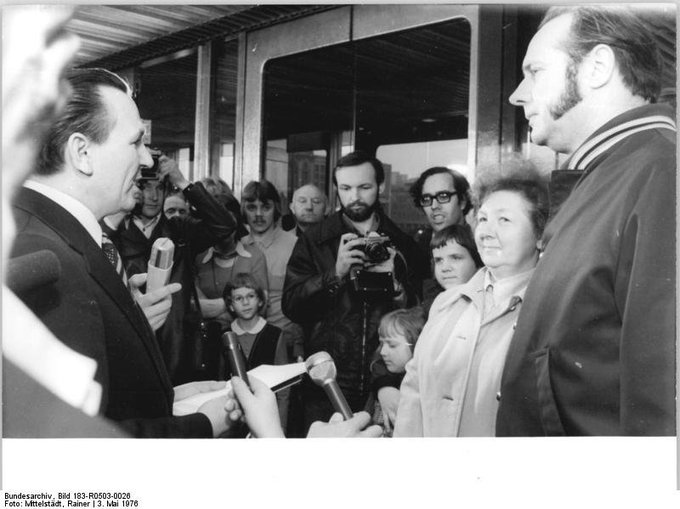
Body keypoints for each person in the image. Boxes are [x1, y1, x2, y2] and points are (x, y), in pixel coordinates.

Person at [10, 67, 239, 438]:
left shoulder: (50, 233)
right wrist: (204, 423)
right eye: (135, 143)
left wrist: (169, 399)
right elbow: (70, 452)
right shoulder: (43, 258)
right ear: (82, 153)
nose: (147, 160)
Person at [497, 6, 675, 436]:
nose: (517, 95)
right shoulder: (616, 174)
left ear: (596, 67)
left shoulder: (662, 174)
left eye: (535, 71)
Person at [394, 171, 549, 437]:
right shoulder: (445, 303)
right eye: (484, 219)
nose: (487, 231)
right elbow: (413, 395)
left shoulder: (552, 312)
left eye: (504, 220)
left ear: (540, 234)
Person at [283, 150, 426, 429]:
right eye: (346, 188)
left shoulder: (402, 242)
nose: (354, 196)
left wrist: (396, 287)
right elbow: (292, 306)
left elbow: (418, 315)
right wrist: (334, 274)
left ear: (380, 187)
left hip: (384, 380)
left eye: (364, 187)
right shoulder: (315, 240)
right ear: (336, 189)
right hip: (326, 380)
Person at [109, 159, 236, 383]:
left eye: (160, 187)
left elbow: (224, 225)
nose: (154, 196)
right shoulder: (115, 232)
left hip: (178, 344)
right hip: (132, 342)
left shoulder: (179, 230)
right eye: (146, 187)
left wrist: (183, 182)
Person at [409, 167, 473, 303]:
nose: (434, 206)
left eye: (443, 196)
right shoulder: (416, 246)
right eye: (426, 199)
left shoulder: (479, 245)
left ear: (462, 201)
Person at [366, 307, 426, 436]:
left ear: (416, 344)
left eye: (392, 345)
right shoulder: (383, 378)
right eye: (382, 344)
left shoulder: (424, 388)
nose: (383, 352)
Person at [423, 223, 483, 313]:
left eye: (455, 258)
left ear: (477, 261)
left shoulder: (483, 305)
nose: (445, 268)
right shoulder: (437, 303)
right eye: (439, 260)